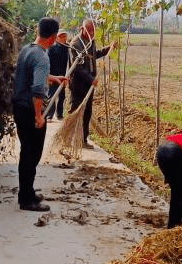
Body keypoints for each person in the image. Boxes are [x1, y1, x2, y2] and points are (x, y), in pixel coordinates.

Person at [11, 17, 67, 211]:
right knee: (31, 154)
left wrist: (53, 78)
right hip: (29, 109)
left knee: (27, 151)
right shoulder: (42, 57)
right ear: (53, 37)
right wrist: (39, 116)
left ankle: (27, 191)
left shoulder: (27, 50)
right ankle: (26, 200)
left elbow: (31, 76)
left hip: (19, 106)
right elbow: (36, 89)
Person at [68, 19, 117, 149]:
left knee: (87, 111)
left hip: (89, 84)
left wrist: (108, 49)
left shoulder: (91, 42)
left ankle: (83, 139)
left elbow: (95, 55)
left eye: (92, 31)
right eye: (89, 31)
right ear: (82, 29)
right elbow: (78, 67)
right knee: (75, 110)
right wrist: (90, 78)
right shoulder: (75, 44)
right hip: (78, 83)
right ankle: (70, 137)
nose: (91, 33)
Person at [46, 30, 70, 120]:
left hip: (62, 75)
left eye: (65, 36)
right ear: (57, 38)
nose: (64, 38)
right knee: (51, 95)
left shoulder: (67, 48)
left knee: (61, 96)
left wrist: (67, 75)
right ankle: (49, 115)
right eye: (62, 36)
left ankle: (59, 114)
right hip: (53, 75)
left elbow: (69, 62)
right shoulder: (51, 48)